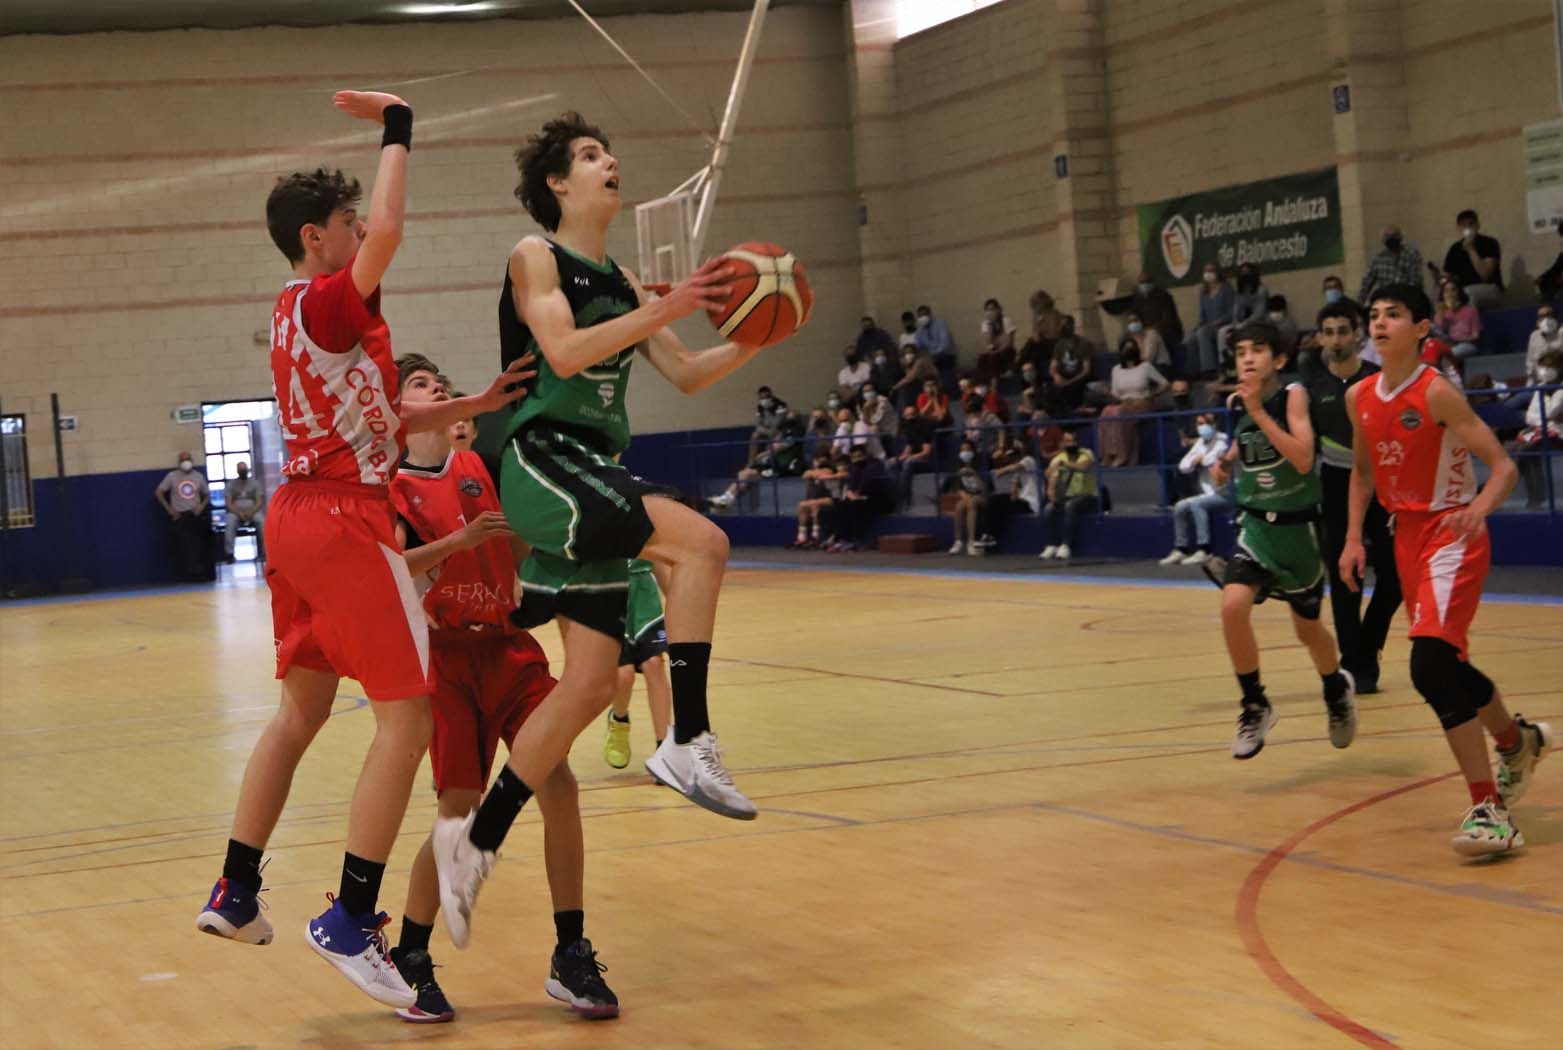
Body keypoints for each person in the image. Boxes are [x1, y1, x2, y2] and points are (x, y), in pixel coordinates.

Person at [195, 91, 532, 1007]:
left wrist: (470, 407)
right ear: (317, 237)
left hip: (297, 515)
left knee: (298, 714)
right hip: (346, 521)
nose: (361, 234)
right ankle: (350, 915)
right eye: (344, 224)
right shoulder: (335, 299)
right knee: (408, 719)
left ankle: (236, 887)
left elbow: (384, 411)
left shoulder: (299, 310)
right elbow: (390, 227)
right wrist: (398, 126)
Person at [436, 112, 794, 945]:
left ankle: (473, 840)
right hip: (542, 462)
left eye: (610, 150)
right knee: (700, 542)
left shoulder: (626, 280)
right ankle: (688, 738)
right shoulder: (536, 257)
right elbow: (560, 353)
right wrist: (665, 303)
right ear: (558, 184)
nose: (611, 162)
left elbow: (690, 373)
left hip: (594, 469)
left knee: (592, 684)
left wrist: (756, 334)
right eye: (592, 155)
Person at [387, 356, 617, 1023]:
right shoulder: (393, 487)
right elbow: (392, 572)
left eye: (441, 382)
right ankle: (411, 954)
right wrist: (457, 541)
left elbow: (514, 549)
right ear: (404, 411)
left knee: (560, 784)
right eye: (423, 384)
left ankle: (570, 953)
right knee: (457, 810)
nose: (439, 389)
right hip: (447, 658)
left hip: (509, 647)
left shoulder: (477, 467)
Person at [1344, 284, 1552, 855]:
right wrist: (1351, 539)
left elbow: (1504, 467)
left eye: (1394, 314)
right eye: (1375, 315)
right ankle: (1518, 740)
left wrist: (1479, 509)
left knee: (1429, 663)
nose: (1380, 322)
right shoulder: (1359, 395)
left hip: (1450, 533)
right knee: (1447, 661)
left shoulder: (1437, 394)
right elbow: (1361, 474)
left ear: (1421, 330)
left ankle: (1489, 809)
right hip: (1403, 539)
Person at [1207, 321, 1356, 761]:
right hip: (1256, 527)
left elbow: (1304, 456)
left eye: (1257, 350)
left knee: (1308, 630)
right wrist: (1226, 461)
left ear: (1279, 359)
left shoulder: (1291, 395)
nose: (1247, 358)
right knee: (1233, 605)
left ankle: (1335, 688)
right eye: (1240, 352)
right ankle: (1255, 703)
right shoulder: (1242, 403)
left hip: (1300, 530)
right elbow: (1247, 440)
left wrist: (1256, 412)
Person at [1306, 300, 1400, 693]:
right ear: (1320, 338)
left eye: (1343, 331)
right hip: (1334, 483)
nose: (1336, 339)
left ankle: (1368, 644)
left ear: (1357, 334)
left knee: (1396, 578)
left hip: (1382, 484)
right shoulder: (1312, 388)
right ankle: (1354, 665)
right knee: (1346, 577)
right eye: (1328, 332)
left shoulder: (1379, 379)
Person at [604, 558, 672, 773]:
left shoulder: (649, 524)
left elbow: (658, 560)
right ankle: (619, 719)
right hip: (610, 596)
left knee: (655, 664)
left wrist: (679, 599)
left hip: (645, 599)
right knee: (624, 676)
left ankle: (664, 752)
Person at [1159, 413, 1230, 566]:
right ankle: (1181, 549)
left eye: (1204, 423)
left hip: (1226, 494)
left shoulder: (1223, 440)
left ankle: (1204, 550)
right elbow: (1183, 466)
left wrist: (1200, 459)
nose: (1201, 427)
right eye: (1199, 424)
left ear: (1214, 424)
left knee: (1197, 504)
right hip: (1207, 494)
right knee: (1179, 506)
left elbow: (1213, 458)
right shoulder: (1200, 443)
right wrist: (1196, 461)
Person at [1098, 338, 1169, 467]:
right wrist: (1106, 392)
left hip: (1142, 403)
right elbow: (1115, 393)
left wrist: (1150, 395)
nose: (1129, 351)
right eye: (1126, 348)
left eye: (1131, 348)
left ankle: (1122, 455)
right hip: (1124, 403)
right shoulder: (1116, 369)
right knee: (1107, 410)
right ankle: (1107, 455)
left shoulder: (1145, 366)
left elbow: (1165, 384)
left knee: (1119, 412)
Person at [1514, 348, 1563, 509]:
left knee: (1526, 451)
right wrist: (1545, 420)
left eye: (1549, 367)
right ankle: (1536, 497)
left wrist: (1545, 419)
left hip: (1560, 434)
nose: (1544, 371)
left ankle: (1503, 486)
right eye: (1542, 367)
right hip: (1543, 433)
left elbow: (1552, 411)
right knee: (1518, 450)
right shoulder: (1540, 387)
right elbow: (1531, 416)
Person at [1039, 431, 1097, 561]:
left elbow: (1084, 467)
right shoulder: (1059, 457)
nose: (1070, 444)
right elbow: (1048, 475)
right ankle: (1051, 545)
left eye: (1072, 441)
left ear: (1077, 443)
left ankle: (1066, 545)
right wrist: (1052, 493)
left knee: (1070, 506)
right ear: (1062, 443)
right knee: (1048, 509)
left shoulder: (1086, 453)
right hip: (1066, 496)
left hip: (1088, 496)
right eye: (1067, 441)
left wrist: (1064, 465)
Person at [155, 451, 211, 580]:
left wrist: (201, 507)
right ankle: (186, 576)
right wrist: (169, 510)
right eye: (183, 460)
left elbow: (207, 494)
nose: (186, 462)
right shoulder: (172, 476)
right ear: (179, 462)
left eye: (187, 459)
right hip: (180, 517)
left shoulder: (198, 476)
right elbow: (159, 492)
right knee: (184, 547)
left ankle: (200, 575)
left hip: (195, 515)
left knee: (198, 546)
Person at [1431, 209, 1503, 306]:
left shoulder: (1489, 243)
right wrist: (1439, 279)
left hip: (1490, 289)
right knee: (1439, 295)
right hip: (1463, 289)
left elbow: (1485, 275)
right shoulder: (1455, 249)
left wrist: (1470, 249)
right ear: (1459, 228)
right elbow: (1448, 277)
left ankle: (1467, 321)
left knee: (1468, 293)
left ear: (1477, 225)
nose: (1467, 228)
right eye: (1463, 225)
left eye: (1471, 224)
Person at [829, 444, 893, 552]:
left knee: (854, 505)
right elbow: (850, 488)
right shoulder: (855, 467)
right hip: (860, 499)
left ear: (865, 455)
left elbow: (868, 484)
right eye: (853, 457)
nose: (856, 459)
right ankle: (841, 538)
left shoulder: (875, 464)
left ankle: (856, 540)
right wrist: (852, 495)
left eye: (859, 456)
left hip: (879, 500)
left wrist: (856, 496)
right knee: (842, 504)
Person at [1358, 223, 1425, 303]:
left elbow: (1415, 281)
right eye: (1387, 236)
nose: (1391, 239)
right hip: (1386, 299)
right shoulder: (1378, 258)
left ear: (1400, 237)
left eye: (1394, 236)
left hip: (1407, 299)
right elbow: (1367, 282)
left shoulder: (1411, 254)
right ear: (1383, 240)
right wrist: (1359, 302)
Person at [1190, 264, 1236, 377]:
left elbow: (1232, 312)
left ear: (1217, 272)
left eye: (1211, 271)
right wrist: (1200, 324)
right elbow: (1202, 313)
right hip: (1209, 326)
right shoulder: (1203, 291)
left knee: (1206, 333)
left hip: (1225, 325)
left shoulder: (1226, 288)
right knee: (1193, 336)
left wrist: (1218, 322)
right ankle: (1201, 371)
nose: (1208, 274)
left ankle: (1216, 368)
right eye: (1206, 271)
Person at [947, 440, 991, 556]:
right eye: (962, 450)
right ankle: (958, 541)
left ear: (973, 451)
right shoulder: (959, 466)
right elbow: (959, 488)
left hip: (984, 497)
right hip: (970, 497)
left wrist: (974, 473)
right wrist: (964, 496)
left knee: (972, 502)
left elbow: (986, 488)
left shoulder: (981, 465)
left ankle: (971, 542)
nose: (965, 452)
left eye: (967, 450)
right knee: (959, 505)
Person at [791, 452, 843, 548]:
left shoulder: (830, 470)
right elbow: (805, 475)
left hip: (831, 499)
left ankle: (816, 537)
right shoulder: (810, 472)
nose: (819, 461)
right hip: (815, 500)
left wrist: (815, 473)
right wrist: (813, 473)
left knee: (815, 505)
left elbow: (825, 473)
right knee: (801, 505)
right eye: (817, 459)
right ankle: (801, 538)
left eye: (821, 459)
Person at [222, 460, 266, 562]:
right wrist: (239, 513)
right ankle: (229, 554)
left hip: (253, 512)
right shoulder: (231, 484)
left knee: (261, 521)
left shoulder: (255, 483)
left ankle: (264, 552)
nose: (243, 471)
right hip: (235, 513)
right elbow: (228, 503)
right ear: (237, 471)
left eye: (244, 469)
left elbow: (259, 501)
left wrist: (251, 512)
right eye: (241, 470)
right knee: (229, 523)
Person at [1131, 270, 1184, 349]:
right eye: (1141, 282)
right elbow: (1134, 316)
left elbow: (1167, 319)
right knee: (1126, 338)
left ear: (1152, 282)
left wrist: (1152, 329)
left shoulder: (1164, 296)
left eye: (1147, 281)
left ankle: (1148, 360)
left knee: (1151, 336)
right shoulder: (1138, 299)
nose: (1144, 284)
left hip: (1167, 330)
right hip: (1147, 330)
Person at [1434, 280, 1481, 361]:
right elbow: (1440, 332)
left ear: (1459, 293)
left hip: (1466, 345)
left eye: (1453, 290)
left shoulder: (1470, 310)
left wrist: (1458, 341)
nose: (1450, 294)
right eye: (1446, 291)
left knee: (1449, 354)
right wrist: (1442, 314)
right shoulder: (1441, 313)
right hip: (1447, 344)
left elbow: (1476, 336)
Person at [913, 304, 958, 389]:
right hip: (931, 359)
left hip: (945, 355)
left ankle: (950, 394)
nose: (922, 317)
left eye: (924, 315)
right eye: (920, 316)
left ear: (930, 314)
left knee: (944, 367)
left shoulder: (940, 324)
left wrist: (934, 355)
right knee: (920, 366)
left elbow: (945, 344)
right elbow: (918, 346)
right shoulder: (919, 331)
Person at [1047, 334, 1091, 418]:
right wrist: (1056, 375)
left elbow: (1086, 371)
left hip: (1077, 379)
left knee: (1076, 387)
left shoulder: (1083, 346)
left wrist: (1068, 382)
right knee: (1051, 389)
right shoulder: (1059, 346)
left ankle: (1075, 413)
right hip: (1063, 378)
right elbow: (1052, 368)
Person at [975, 297, 1017, 380]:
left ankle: (995, 383)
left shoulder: (1006, 320)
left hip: (1006, 350)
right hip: (994, 350)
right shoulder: (985, 324)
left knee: (993, 358)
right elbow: (989, 343)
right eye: (988, 310)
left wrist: (997, 348)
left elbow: (1009, 342)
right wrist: (990, 325)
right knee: (981, 359)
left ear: (998, 310)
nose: (990, 312)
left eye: (993, 309)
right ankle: (982, 384)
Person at [746, 385, 789, 465]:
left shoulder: (780, 405)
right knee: (754, 435)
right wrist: (766, 430)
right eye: (761, 398)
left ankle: (768, 463)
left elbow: (777, 423)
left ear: (771, 396)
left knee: (774, 432)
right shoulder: (760, 407)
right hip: (766, 430)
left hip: (780, 430)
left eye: (766, 398)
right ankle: (750, 463)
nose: (764, 400)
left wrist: (769, 411)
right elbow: (758, 425)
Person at [1525, 304, 1562, 383]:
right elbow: (1530, 363)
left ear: (1555, 317)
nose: (1544, 319)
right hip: (1538, 383)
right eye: (1541, 316)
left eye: (1548, 315)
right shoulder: (1534, 336)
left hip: (1558, 383)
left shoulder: (1561, 334)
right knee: (1521, 395)